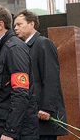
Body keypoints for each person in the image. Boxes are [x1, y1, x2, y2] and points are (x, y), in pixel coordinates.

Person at [0, 5, 38, 140]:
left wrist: (10, 132)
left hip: (10, 131)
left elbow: (20, 93)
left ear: (0, 25)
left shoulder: (14, 48)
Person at [14, 10, 67, 140]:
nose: (15, 28)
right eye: (14, 25)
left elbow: (51, 78)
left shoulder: (43, 43)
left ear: (31, 24)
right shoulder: (22, 47)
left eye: (19, 24)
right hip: (30, 117)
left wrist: (46, 108)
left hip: (42, 115)